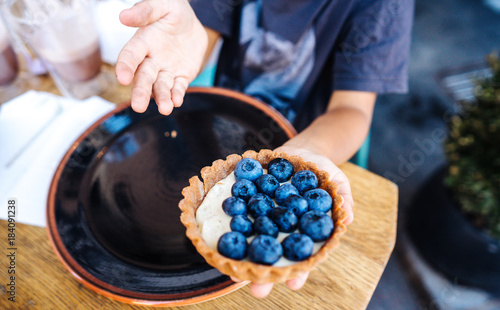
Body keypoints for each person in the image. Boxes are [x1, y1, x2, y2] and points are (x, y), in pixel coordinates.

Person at [115, 0, 413, 298]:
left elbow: (352, 110)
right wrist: (190, 38)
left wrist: (304, 152)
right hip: (226, 130)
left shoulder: (384, 6)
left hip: (315, 136)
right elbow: (207, 29)